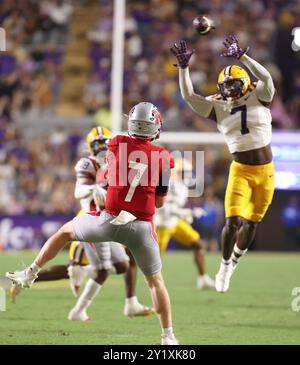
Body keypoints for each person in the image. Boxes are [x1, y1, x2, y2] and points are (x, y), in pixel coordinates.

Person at [6, 102, 178, 345]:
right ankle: (168, 336)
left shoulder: (117, 143)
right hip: (141, 226)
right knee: (156, 282)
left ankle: (30, 273)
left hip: (109, 220)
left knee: (65, 232)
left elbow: (110, 168)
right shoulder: (166, 158)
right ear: (156, 127)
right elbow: (160, 202)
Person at [11, 127, 154, 320]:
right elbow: (79, 191)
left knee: (121, 265)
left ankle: (79, 299)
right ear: (90, 147)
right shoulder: (87, 164)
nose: (103, 147)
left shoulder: (117, 164)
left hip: (111, 220)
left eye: (106, 142)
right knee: (89, 269)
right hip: (93, 221)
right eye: (98, 144)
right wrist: (94, 190)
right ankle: (39, 282)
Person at [171, 35, 275, 293]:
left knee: (252, 222)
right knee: (232, 222)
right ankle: (225, 266)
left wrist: (243, 57)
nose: (229, 89)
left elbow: (267, 78)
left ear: (244, 82)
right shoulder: (218, 106)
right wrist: (184, 69)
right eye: (225, 85)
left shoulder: (259, 95)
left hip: (266, 171)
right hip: (240, 170)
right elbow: (189, 96)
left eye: (233, 84)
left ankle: (235, 261)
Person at [155, 160, 214, 289]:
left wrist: (186, 215)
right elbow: (163, 208)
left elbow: (176, 208)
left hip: (175, 223)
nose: (188, 175)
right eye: (184, 172)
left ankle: (203, 278)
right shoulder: (168, 185)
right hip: (163, 225)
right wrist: (189, 212)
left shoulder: (182, 188)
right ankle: (155, 286)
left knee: (198, 244)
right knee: (154, 260)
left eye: (188, 172)